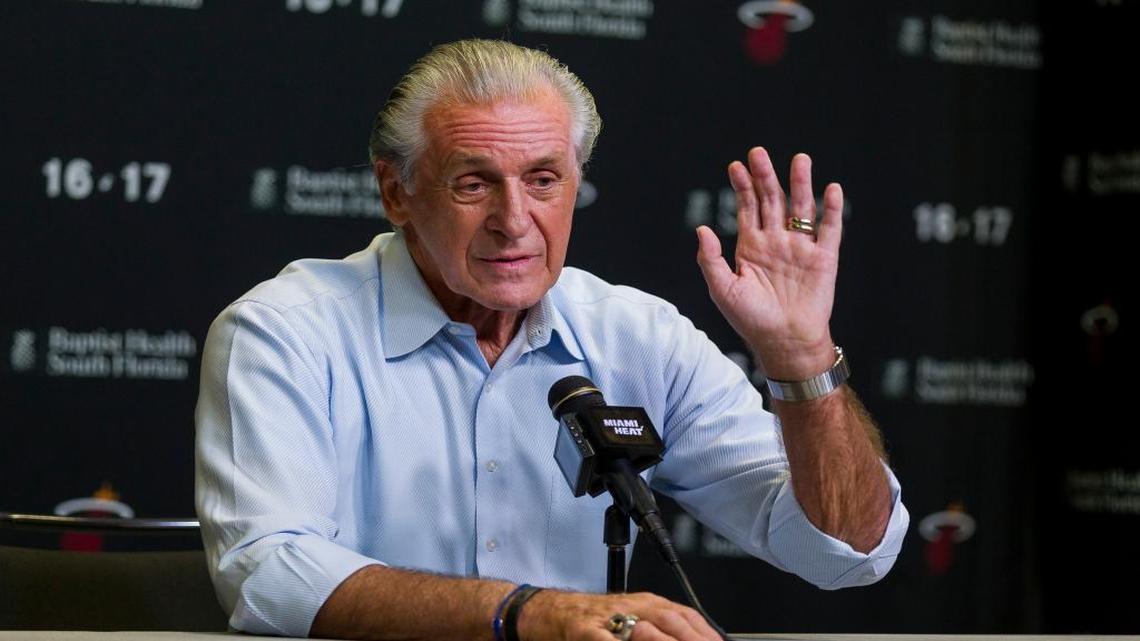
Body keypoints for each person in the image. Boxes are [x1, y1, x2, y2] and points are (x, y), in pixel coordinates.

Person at [195, 39, 908, 641]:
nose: (514, 220)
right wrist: (523, 613)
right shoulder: (285, 331)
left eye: (542, 180)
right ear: (396, 192)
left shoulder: (638, 335)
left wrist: (802, 363)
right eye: (474, 183)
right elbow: (269, 574)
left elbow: (845, 553)